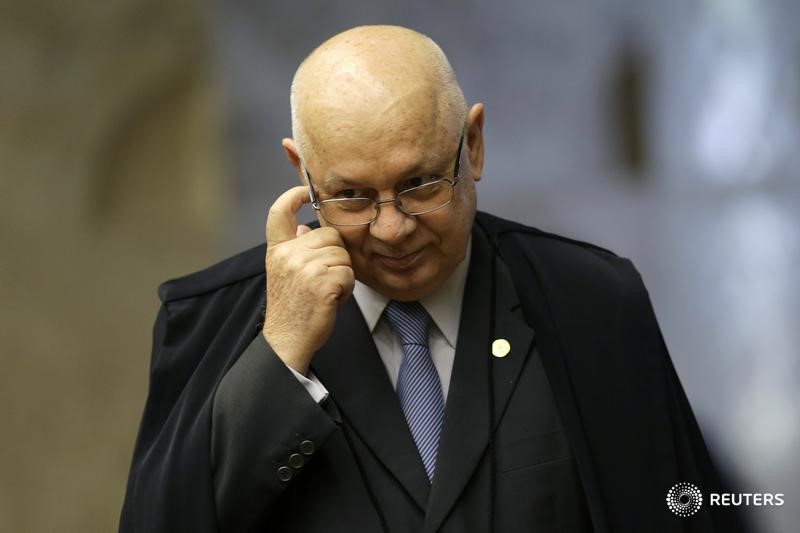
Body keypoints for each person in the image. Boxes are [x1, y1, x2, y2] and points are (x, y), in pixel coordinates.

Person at [120, 25, 747, 533]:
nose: (391, 228)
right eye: (351, 195)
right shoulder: (208, 320)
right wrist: (278, 355)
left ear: (472, 146)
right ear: (301, 173)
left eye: (420, 184)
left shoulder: (590, 301)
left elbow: (684, 507)